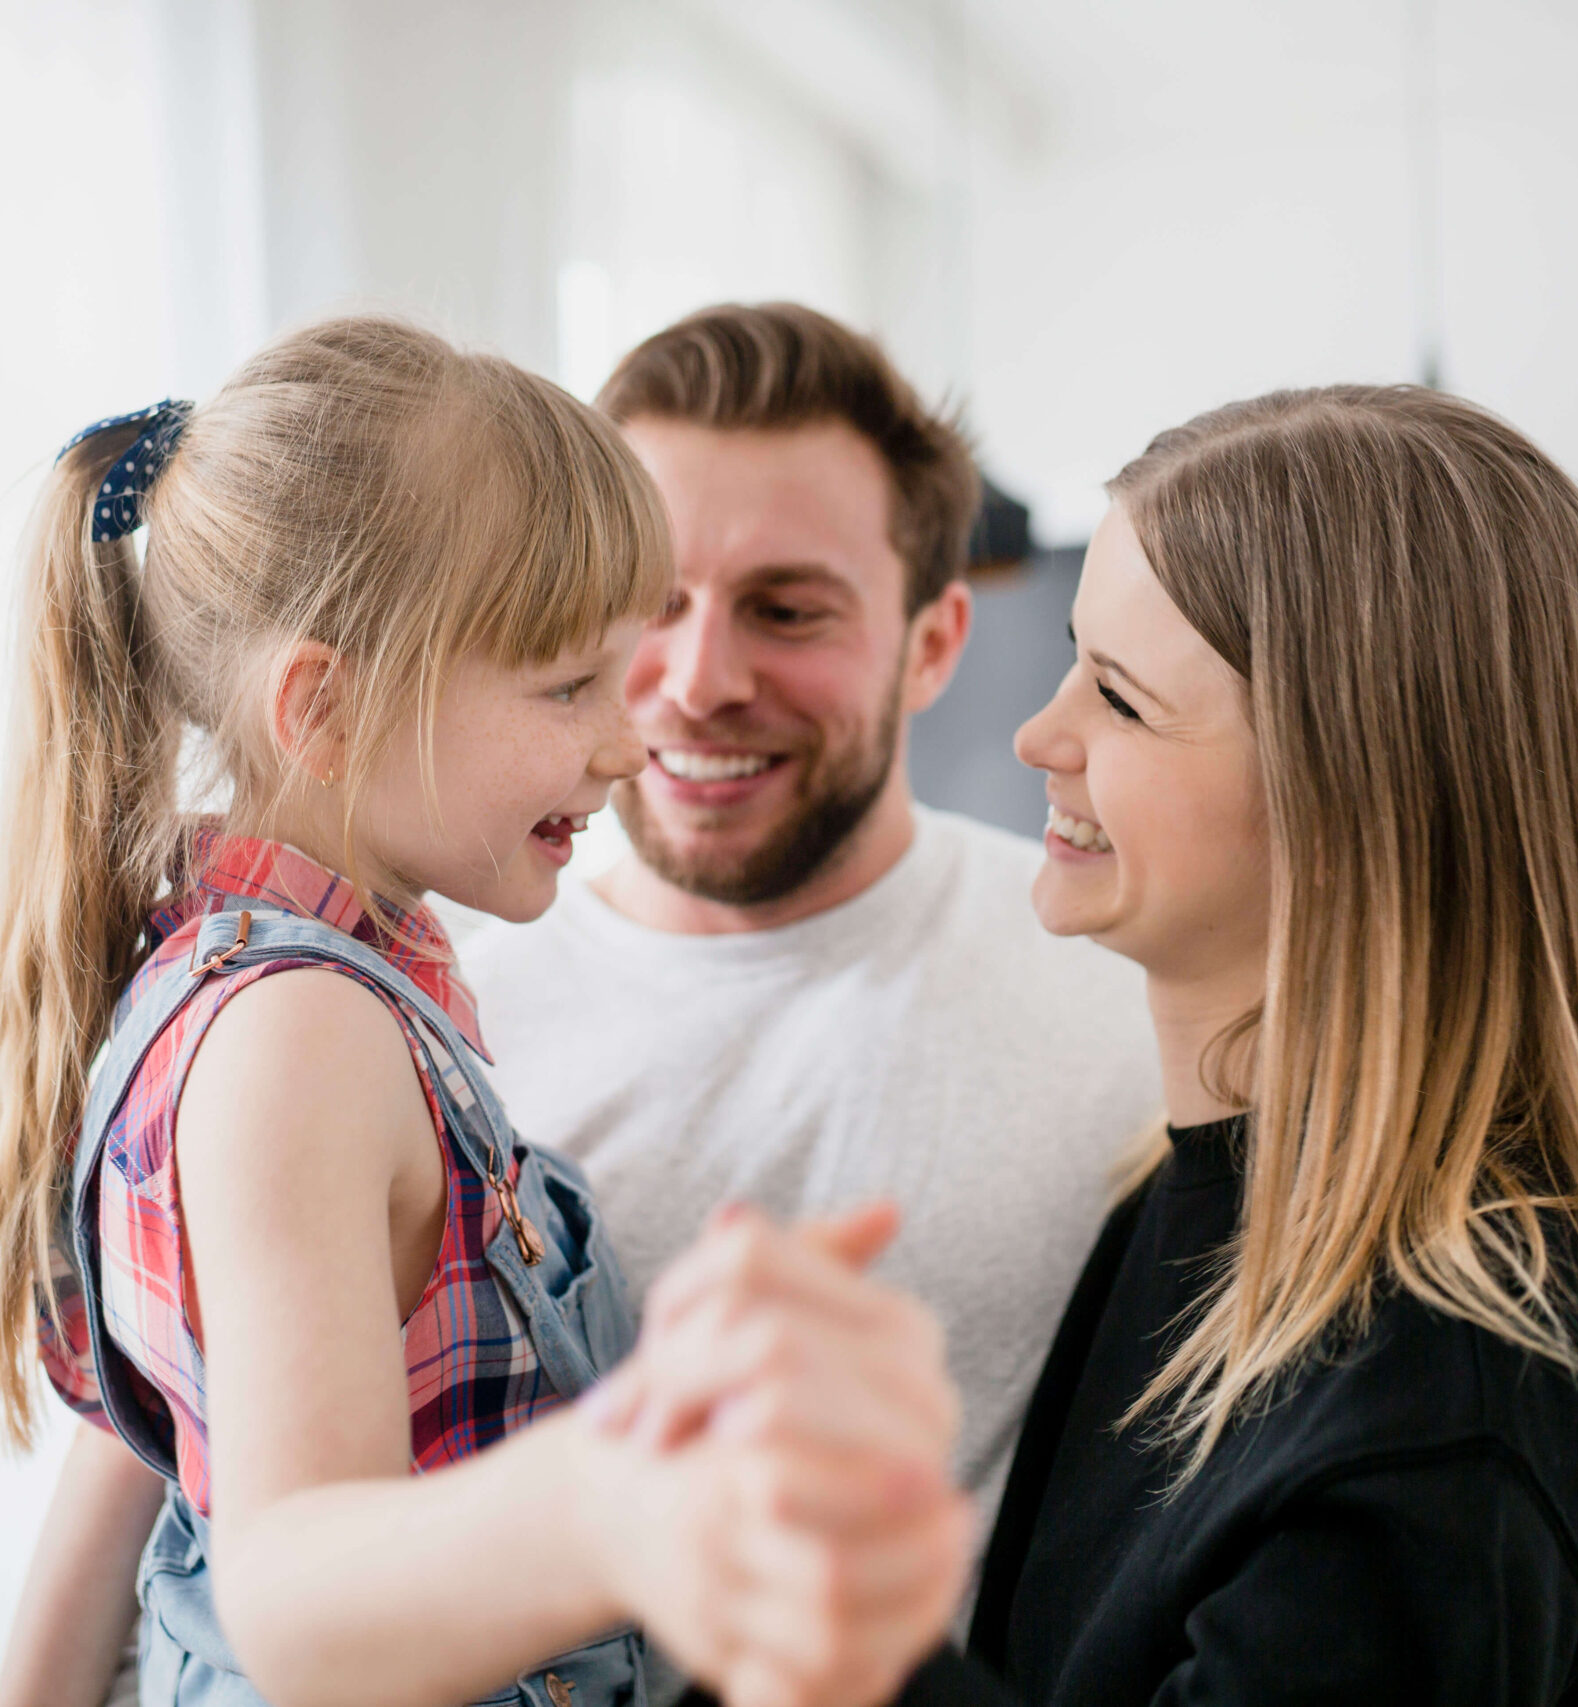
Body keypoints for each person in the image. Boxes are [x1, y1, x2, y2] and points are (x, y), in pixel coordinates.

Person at [607, 384, 1578, 1705]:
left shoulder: (1440, 1390)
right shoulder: (1193, 1197)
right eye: (1073, 659)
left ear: (1347, 801)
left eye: (1123, 700)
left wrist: (822, 1621)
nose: (1042, 735)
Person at [0, 314, 974, 1707]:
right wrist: (617, 1497)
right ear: (325, 708)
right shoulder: (302, 1032)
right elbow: (297, 1587)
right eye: (567, 685)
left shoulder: (287, 968)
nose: (628, 735)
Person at [451, 303, 1165, 1545]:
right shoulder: (437, 1021)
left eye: (787, 612)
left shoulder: (1130, 991)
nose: (697, 680)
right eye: (648, 604)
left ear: (931, 644)